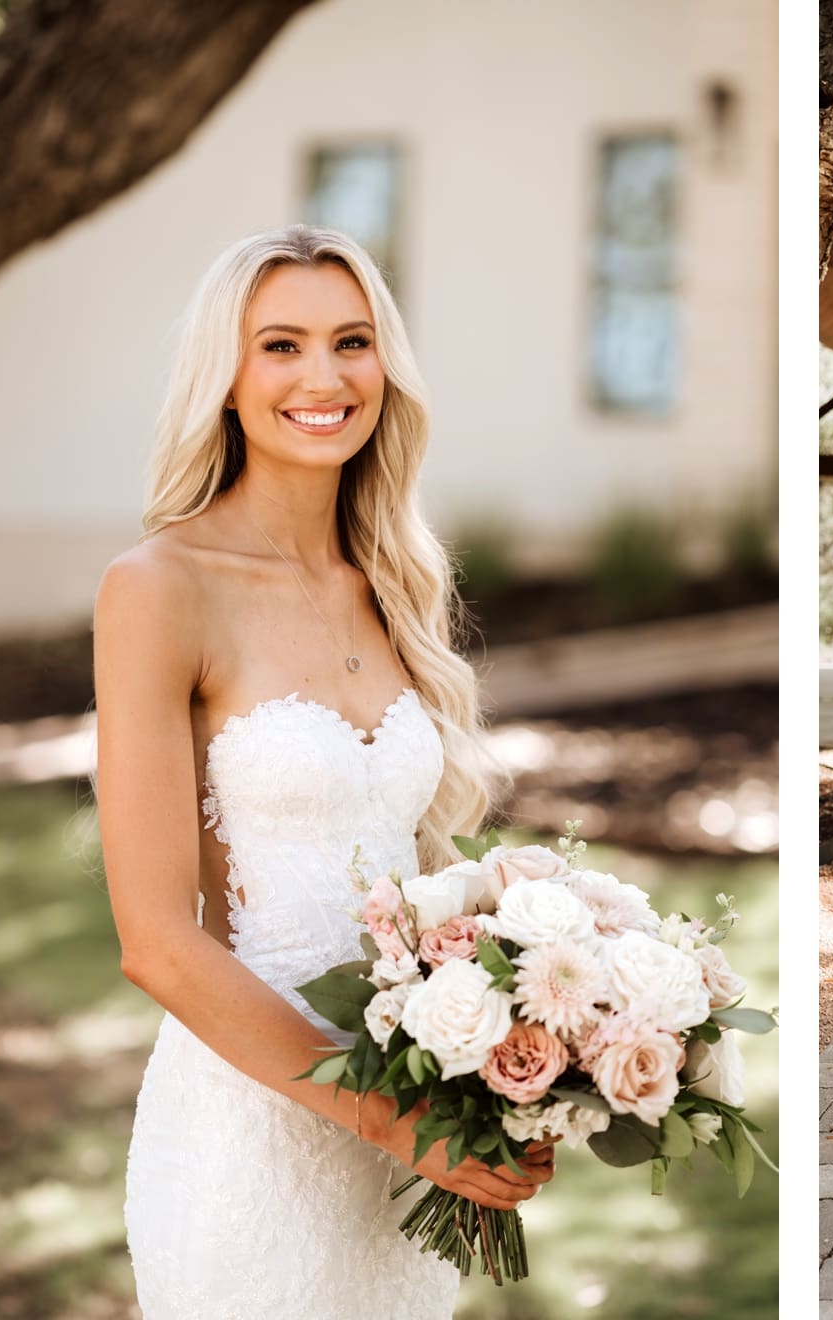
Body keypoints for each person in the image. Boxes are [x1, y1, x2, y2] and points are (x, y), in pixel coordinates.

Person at [94, 224, 555, 1317]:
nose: (324, 376)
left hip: (409, 1134)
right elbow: (156, 945)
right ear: (226, 379)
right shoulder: (158, 587)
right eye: (281, 345)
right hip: (250, 1148)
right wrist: (395, 1121)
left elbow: (408, 863)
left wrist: (526, 1017)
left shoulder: (395, 581)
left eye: (352, 342)